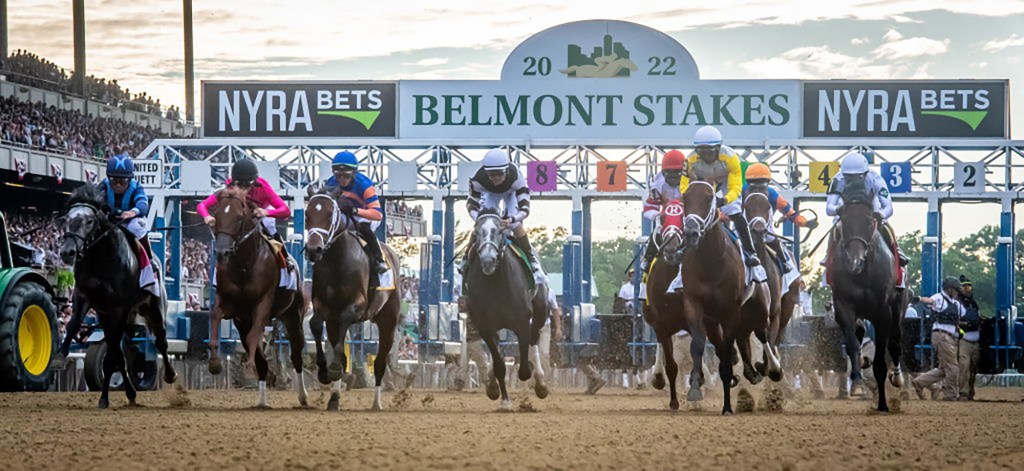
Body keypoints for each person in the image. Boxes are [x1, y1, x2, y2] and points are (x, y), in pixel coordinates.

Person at [679, 126, 760, 267]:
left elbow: (735, 187)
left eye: (709, 152)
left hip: (725, 183)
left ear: (718, 148)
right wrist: (692, 200)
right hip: (703, 182)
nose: (705, 156)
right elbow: (684, 187)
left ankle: (750, 251)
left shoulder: (731, 158)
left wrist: (724, 200)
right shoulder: (690, 160)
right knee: (691, 213)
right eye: (701, 152)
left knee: (735, 212)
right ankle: (681, 247)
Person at [466, 148, 545, 284]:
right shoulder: (477, 180)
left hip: (511, 193)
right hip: (489, 193)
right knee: (484, 225)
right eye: (491, 174)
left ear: (507, 171)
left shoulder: (517, 179)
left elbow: (525, 210)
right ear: (486, 173)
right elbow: (471, 205)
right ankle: (466, 257)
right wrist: (480, 220)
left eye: (499, 174)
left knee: (514, 225)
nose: (495, 178)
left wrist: (511, 220)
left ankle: (531, 259)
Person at [824, 152, 908, 267]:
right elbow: (829, 208)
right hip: (847, 210)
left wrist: (881, 215)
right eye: (849, 177)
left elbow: (888, 207)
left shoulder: (876, 179)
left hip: (871, 208)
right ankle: (829, 255)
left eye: (857, 177)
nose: (853, 180)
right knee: (836, 227)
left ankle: (897, 252)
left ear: (865, 174)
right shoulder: (837, 180)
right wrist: (839, 209)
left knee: (886, 227)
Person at [743, 163, 819, 272]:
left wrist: (805, 223)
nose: (757, 189)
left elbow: (790, 214)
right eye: (753, 186)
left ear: (768, 183)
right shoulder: (741, 192)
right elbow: (729, 212)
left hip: (766, 230)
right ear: (748, 183)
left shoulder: (773, 195)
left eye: (762, 186)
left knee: (775, 243)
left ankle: (786, 264)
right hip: (744, 230)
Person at [198, 159, 291, 244]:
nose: (244, 190)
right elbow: (202, 205)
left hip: (261, 212)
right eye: (240, 186)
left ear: (254, 182)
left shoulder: (263, 187)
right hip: (240, 214)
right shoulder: (229, 187)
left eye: (247, 186)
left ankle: (285, 257)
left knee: (269, 225)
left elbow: (286, 211)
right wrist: (206, 216)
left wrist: (267, 212)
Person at [323, 151, 387, 274]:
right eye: (338, 175)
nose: (341, 179)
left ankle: (379, 259)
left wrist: (355, 210)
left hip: (364, 216)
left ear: (353, 173)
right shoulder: (330, 183)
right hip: (344, 215)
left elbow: (377, 214)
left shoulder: (365, 185)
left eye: (346, 175)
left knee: (363, 227)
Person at [912, 277, 966, 401]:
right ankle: (950, 395)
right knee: (953, 367)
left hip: (950, 336)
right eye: (956, 290)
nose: (957, 293)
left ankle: (919, 382)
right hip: (941, 335)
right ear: (949, 289)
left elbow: (956, 320)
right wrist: (920, 299)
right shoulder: (939, 298)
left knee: (944, 369)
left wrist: (959, 329)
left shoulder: (956, 304)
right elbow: (929, 300)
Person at [98, 153, 153, 258]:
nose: (118, 185)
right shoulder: (103, 185)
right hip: (109, 220)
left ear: (129, 179)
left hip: (130, 221)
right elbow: (92, 198)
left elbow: (143, 204)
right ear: (109, 179)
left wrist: (131, 213)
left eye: (122, 181)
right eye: (114, 181)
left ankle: (148, 259)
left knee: (136, 227)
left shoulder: (136, 186)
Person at [640, 149, 686, 273]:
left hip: (686, 217)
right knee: (658, 231)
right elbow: (649, 208)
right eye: (668, 173)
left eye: (676, 173)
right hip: (668, 218)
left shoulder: (691, 182)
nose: (672, 178)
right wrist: (658, 216)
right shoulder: (657, 184)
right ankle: (648, 259)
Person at [957, 275, 981, 400]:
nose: (967, 289)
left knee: (973, 370)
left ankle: (970, 392)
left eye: (969, 286)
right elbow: (954, 321)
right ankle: (963, 393)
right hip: (964, 340)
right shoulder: (957, 303)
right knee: (964, 368)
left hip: (976, 341)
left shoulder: (974, 303)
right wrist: (966, 324)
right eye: (964, 287)